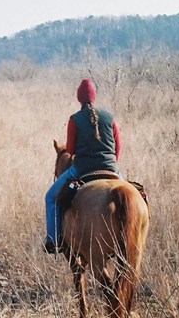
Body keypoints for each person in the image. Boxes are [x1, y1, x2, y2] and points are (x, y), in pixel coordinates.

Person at [43, 78, 121, 253]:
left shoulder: (75, 119)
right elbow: (118, 146)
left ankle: (54, 240)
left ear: (79, 99)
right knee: (135, 192)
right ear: (94, 97)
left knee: (50, 198)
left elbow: (70, 150)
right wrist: (110, 163)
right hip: (111, 168)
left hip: (82, 169)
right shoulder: (110, 117)